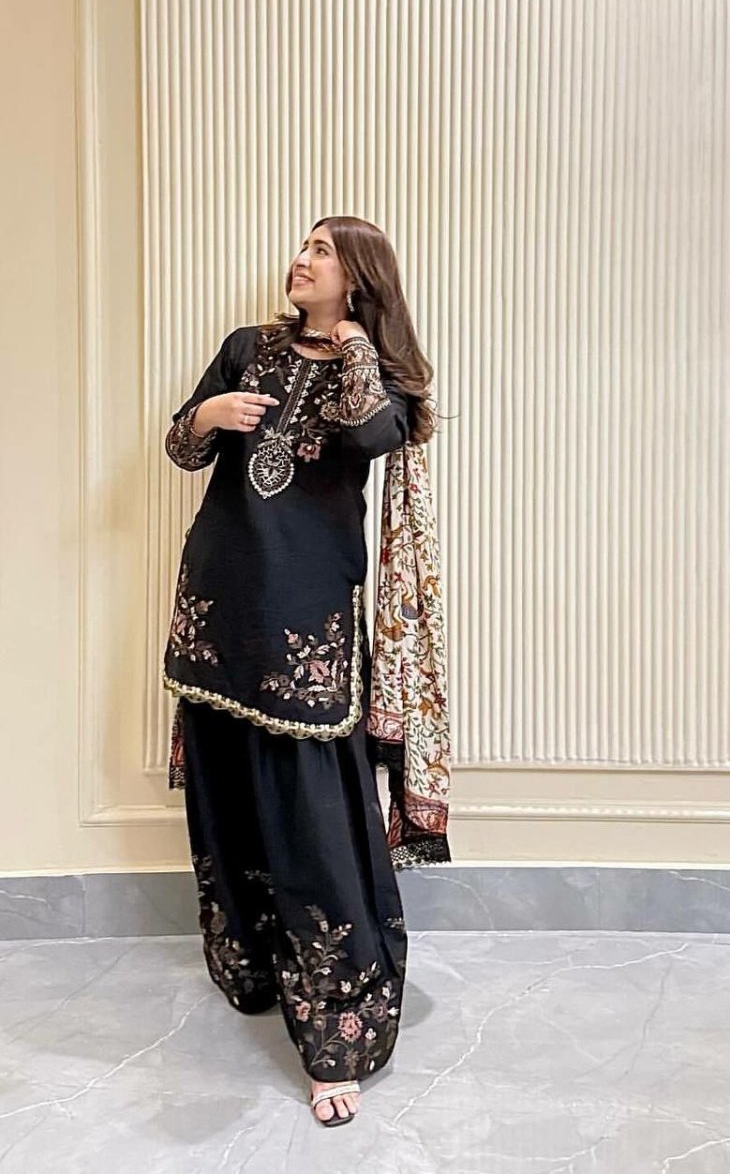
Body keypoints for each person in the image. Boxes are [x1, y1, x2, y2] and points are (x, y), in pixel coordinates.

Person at [162, 215, 450, 1127]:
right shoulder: (246, 348)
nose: (301, 258)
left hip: (307, 618)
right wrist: (206, 416)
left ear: (358, 275)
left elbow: (372, 436)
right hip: (220, 604)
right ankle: (251, 970)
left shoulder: (376, 375)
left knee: (313, 821)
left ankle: (337, 1041)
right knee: (226, 798)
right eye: (303, 245)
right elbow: (183, 448)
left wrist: (354, 339)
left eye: (322, 251)